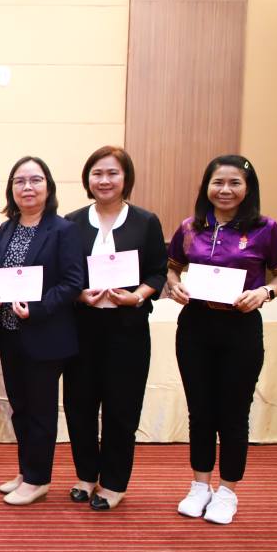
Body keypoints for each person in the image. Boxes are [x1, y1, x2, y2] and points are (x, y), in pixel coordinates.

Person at [167, 155, 277, 524]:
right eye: (217, 182)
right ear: (206, 186)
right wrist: (175, 286)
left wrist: (265, 292)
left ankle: (227, 491)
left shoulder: (265, 228)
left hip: (240, 328)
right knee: (200, 411)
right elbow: (172, 269)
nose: (225, 190)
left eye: (234, 182)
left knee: (234, 414)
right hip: (195, 327)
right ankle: (200, 485)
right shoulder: (190, 227)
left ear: (247, 188)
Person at [63, 146, 167, 510]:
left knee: (122, 408)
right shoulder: (72, 222)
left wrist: (136, 296)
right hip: (82, 327)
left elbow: (158, 272)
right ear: (87, 179)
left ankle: (114, 482)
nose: (104, 180)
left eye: (112, 173)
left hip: (127, 329)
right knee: (79, 405)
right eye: (97, 173)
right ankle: (85, 475)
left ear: (126, 178)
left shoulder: (145, 222)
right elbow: (64, 274)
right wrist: (79, 294)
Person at [0, 156, 82, 505]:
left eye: (35, 180)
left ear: (48, 186)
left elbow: (72, 283)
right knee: (20, 407)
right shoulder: (6, 228)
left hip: (45, 334)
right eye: (19, 181)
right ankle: (27, 470)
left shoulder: (64, 229)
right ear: (11, 189)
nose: (27, 187)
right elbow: (0, 274)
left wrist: (37, 309)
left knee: (40, 410)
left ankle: (38, 479)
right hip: (10, 332)